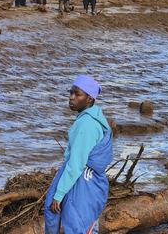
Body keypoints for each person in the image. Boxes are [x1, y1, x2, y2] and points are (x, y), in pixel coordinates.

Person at [44, 75, 113, 234]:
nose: (71, 97)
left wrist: (59, 194)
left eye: (77, 94)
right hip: (92, 182)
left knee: (77, 225)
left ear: (89, 99)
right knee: (85, 224)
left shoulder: (86, 125)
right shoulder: (95, 118)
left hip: (84, 182)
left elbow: (76, 164)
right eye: (71, 93)